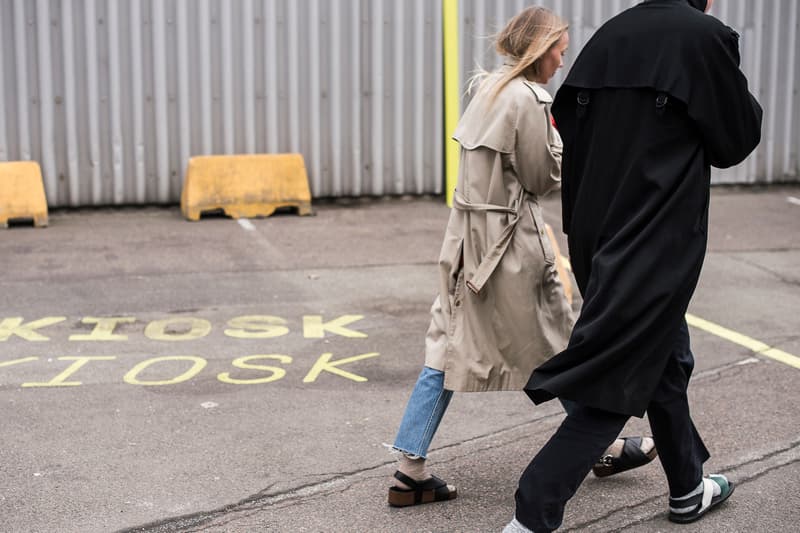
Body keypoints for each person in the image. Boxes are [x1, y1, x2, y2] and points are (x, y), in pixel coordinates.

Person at [504, 0, 763, 531]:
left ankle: (688, 488)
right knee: (616, 373)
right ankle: (533, 513)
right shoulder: (703, 36)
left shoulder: (608, 36)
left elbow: (569, 135)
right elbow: (735, 141)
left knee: (664, 358)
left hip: (596, 232)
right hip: (656, 235)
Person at [386, 6, 656, 509]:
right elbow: (541, 178)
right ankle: (600, 446)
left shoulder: (487, 88)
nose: (563, 54)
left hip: (466, 239)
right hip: (509, 246)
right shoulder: (530, 98)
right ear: (539, 49)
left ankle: (409, 470)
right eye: (558, 46)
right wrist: (564, 148)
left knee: (446, 346)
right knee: (557, 344)